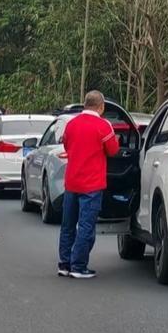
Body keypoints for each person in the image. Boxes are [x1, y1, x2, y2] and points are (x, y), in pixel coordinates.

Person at [57, 90, 118, 280]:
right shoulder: (103, 126)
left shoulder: (71, 124)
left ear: (85, 104)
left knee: (68, 225)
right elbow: (113, 150)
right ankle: (79, 265)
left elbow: (67, 146)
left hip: (72, 182)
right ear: (101, 107)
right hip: (92, 184)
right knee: (85, 226)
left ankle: (64, 264)